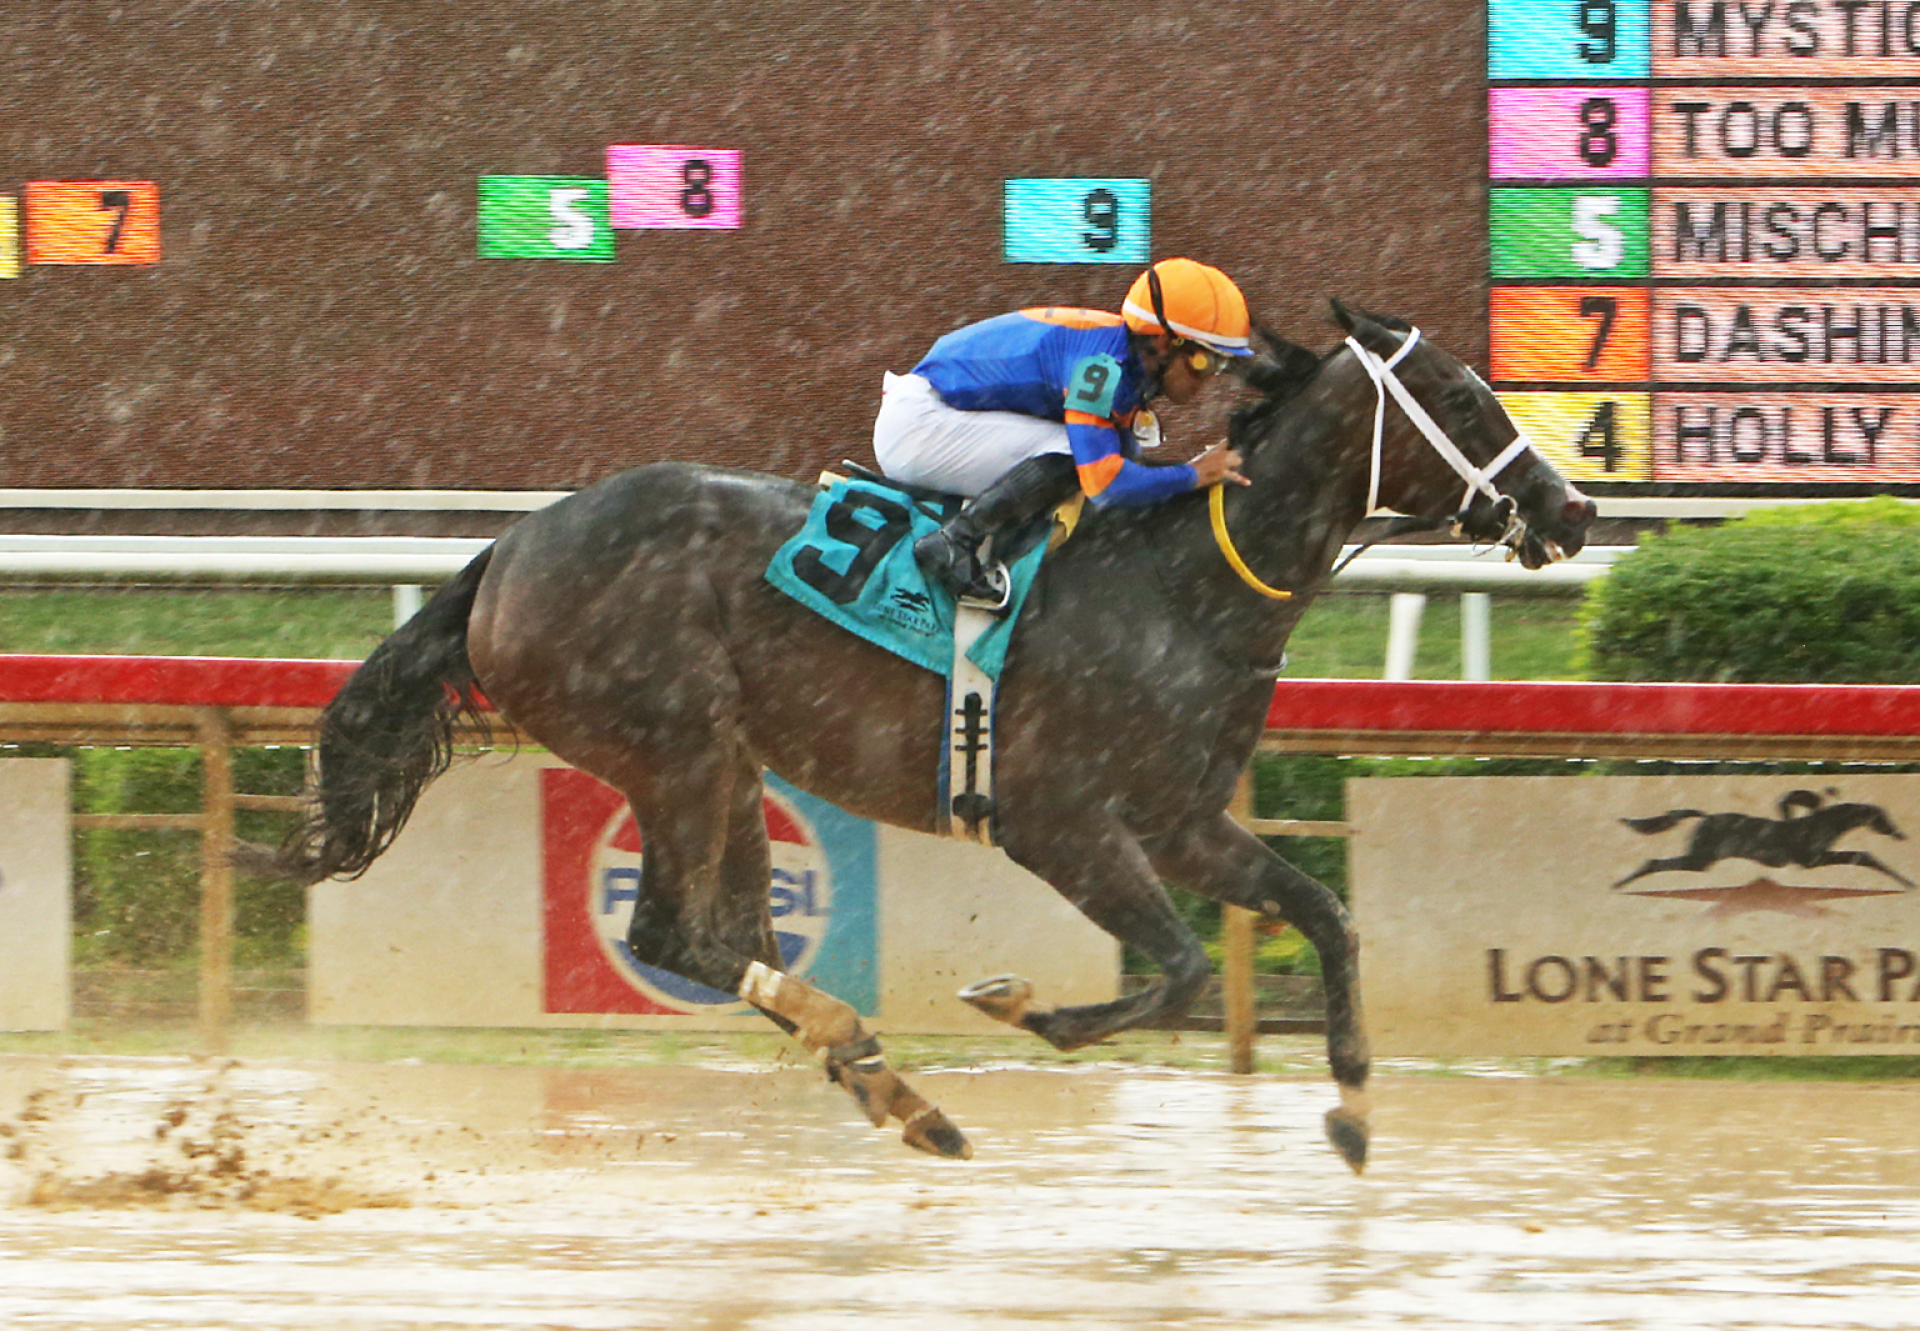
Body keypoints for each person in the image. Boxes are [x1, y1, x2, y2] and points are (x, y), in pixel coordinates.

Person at [872, 257, 1255, 604]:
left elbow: (1127, 475)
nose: (1207, 381)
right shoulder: (1102, 366)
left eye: (1219, 367)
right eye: (1205, 363)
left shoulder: (1126, 365)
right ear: (1164, 341)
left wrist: (1191, 473)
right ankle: (954, 541)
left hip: (938, 415)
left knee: (1097, 458)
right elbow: (1106, 485)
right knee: (1081, 459)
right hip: (919, 424)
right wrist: (1193, 473)